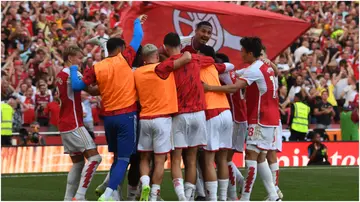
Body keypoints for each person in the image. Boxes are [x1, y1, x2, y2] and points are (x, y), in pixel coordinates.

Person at [69, 15, 146, 201]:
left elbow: (77, 86)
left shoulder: (97, 67)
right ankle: (109, 194)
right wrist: (137, 21)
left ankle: (113, 193)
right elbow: (138, 38)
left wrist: (72, 68)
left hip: (108, 119)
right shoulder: (126, 58)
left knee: (117, 156)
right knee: (125, 159)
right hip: (126, 115)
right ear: (120, 49)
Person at [204, 37, 281, 201]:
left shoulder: (254, 69)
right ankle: (273, 195)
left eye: (242, 51)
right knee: (261, 157)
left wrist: (210, 87)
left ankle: (245, 197)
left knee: (251, 157)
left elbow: (234, 87)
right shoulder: (265, 66)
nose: (240, 54)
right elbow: (274, 71)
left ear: (250, 53)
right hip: (271, 116)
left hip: (260, 117)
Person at [154, 32, 214, 201]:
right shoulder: (196, 59)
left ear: (165, 47)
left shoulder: (166, 64)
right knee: (192, 158)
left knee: (176, 158)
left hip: (180, 114)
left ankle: (182, 197)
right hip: (199, 114)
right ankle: (189, 195)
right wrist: (189, 55)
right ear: (180, 45)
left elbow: (159, 69)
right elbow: (211, 60)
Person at [55, 45, 102, 201]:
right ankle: (80, 196)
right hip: (74, 123)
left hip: (64, 124)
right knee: (95, 158)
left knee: (78, 163)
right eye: (79, 58)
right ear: (70, 58)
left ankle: (68, 199)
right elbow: (91, 90)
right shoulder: (72, 73)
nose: (81, 61)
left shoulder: (60, 74)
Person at [134, 44, 178, 201]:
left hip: (145, 118)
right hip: (162, 119)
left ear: (143, 59)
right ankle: (153, 196)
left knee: (144, 158)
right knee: (160, 160)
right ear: (157, 57)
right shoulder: (162, 68)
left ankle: (145, 182)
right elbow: (181, 58)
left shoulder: (137, 72)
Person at [199, 45, 234, 201]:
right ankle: (223, 197)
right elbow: (230, 65)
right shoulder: (215, 67)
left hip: (212, 112)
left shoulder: (194, 65)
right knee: (222, 159)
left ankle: (212, 198)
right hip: (226, 111)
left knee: (208, 160)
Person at [216, 53, 246, 201]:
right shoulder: (233, 73)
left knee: (225, 159)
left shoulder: (222, 75)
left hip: (236, 119)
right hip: (239, 118)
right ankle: (240, 182)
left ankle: (233, 195)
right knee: (224, 158)